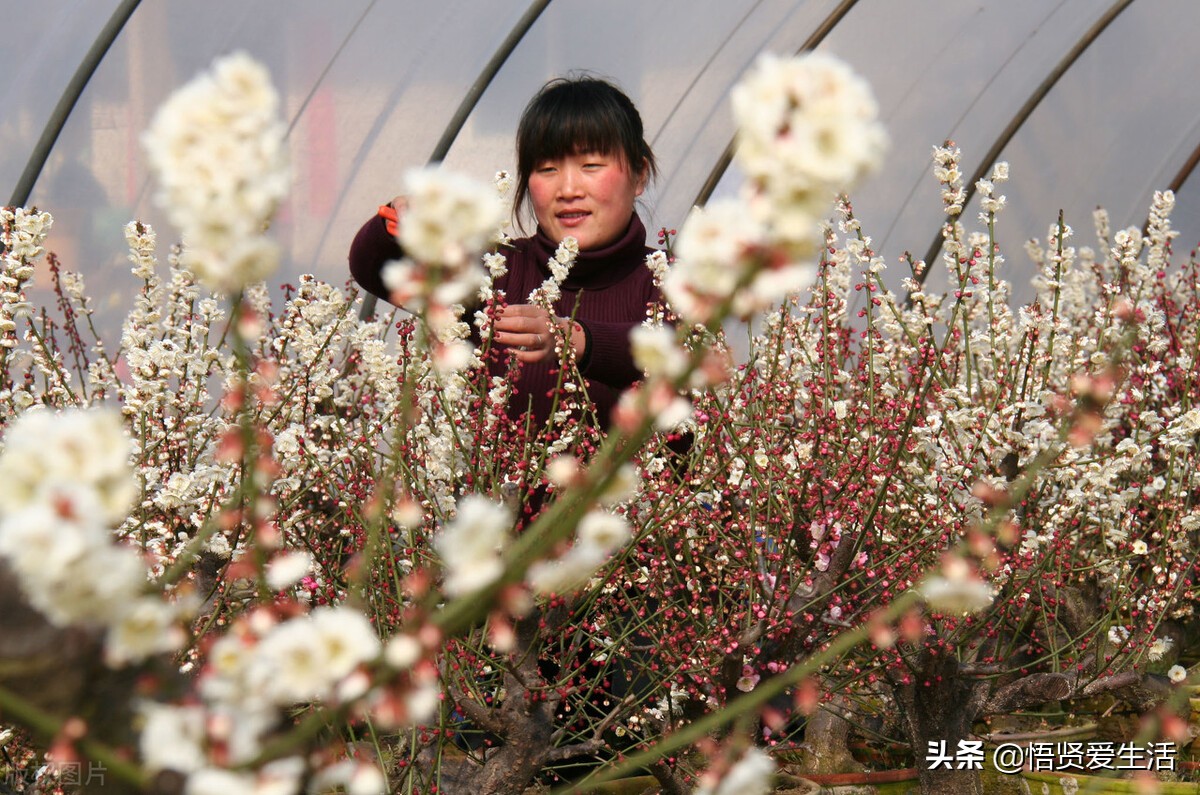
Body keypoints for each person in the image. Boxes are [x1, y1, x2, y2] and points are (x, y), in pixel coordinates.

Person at [349, 76, 663, 430]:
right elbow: (373, 264)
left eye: (591, 165)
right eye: (547, 169)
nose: (569, 188)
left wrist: (575, 339)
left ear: (639, 175)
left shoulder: (669, 282)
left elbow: (678, 353)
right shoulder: (499, 274)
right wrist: (401, 217)